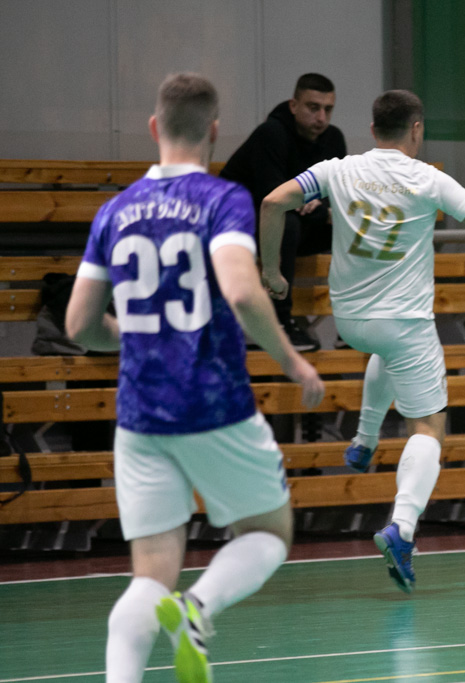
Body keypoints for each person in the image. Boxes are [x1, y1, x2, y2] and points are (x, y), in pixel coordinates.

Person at [65, 73, 325, 683]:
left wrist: (138, 332)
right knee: (269, 532)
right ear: (213, 131)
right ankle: (198, 608)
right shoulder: (221, 199)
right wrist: (291, 359)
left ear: (154, 128)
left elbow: (79, 324)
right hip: (213, 404)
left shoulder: (114, 211)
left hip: (141, 415)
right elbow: (241, 290)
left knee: (149, 574)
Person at [260, 89, 465, 593]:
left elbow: (272, 202)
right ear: (417, 129)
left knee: (385, 353)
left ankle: (364, 440)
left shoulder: (336, 170)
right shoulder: (428, 178)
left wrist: (271, 273)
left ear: (373, 129)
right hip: (405, 324)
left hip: (349, 320)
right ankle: (403, 528)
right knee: (428, 428)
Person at [219, 73, 347, 351]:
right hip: (238, 226)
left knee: (352, 226)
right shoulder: (271, 134)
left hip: (297, 226)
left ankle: (352, 323)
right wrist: (317, 207)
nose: (321, 118)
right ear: (293, 105)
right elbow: (272, 199)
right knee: (285, 222)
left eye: (328, 109)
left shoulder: (333, 139)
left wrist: (323, 208)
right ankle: (278, 323)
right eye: (313, 107)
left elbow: (339, 197)